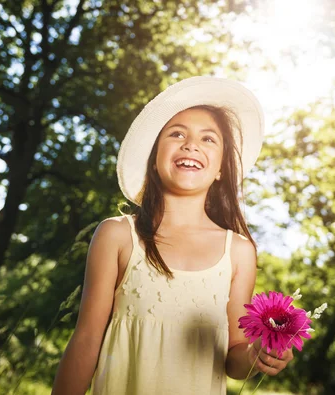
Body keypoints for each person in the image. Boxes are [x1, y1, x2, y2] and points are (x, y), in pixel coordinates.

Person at [51, 76, 294, 395]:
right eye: (177, 133)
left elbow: (234, 358)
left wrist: (255, 355)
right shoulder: (117, 236)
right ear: (153, 158)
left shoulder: (238, 252)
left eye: (208, 139)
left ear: (221, 168)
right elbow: (86, 340)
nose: (191, 144)